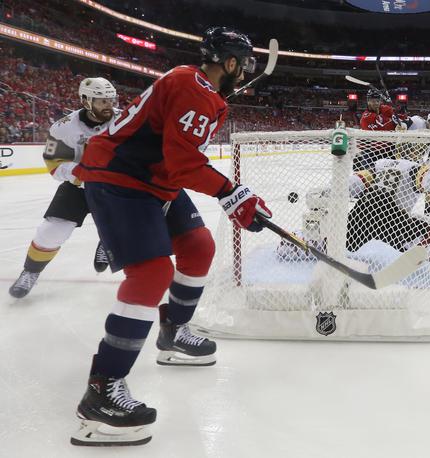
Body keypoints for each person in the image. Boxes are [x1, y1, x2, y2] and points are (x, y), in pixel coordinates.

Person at [68, 26, 272, 447]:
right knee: (151, 274)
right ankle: (101, 392)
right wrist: (231, 192)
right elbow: (183, 164)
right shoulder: (191, 87)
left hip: (154, 180)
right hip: (119, 177)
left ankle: (173, 332)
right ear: (230, 63)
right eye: (244, 64)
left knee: (199, 246)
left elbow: (178, 162)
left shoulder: (201, 90)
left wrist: (232, 194)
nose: (246, 72)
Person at [8, 77, 118, 299]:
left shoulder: (124, 119)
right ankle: (30, 272)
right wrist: (80, 171)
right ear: (86, 101)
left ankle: (106, 242)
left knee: (126, 225)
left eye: (110, 100)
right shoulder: (63, 128)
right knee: (51, 231)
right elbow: (53, 164)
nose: (109, 105)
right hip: (78, 187)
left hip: (115, 187)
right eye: (102, 101)